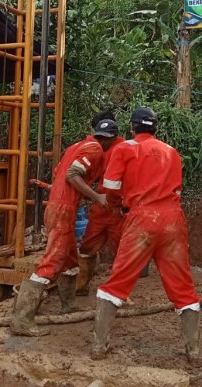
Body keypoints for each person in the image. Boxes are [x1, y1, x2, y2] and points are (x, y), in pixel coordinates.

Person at [92, 107, 202, 364]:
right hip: (173, 220)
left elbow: (110, 188)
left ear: (132, 128)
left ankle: (99, 347)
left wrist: (117, 203)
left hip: (141, 219)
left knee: (118, 281)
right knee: (183, 287)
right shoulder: (172, 152)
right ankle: (195, 352)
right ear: (156, 129)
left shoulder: (124, 149)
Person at [11, 119, 120, 336]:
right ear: (109, 140)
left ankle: (68, 305)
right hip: (63, 210)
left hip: (58, 206)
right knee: (51, 263)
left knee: (70, 260)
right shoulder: (96, 150)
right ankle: (21, 319)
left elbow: (61, 173)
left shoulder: (75, 147)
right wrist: (97, 197)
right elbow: (72, 175)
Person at [76, 111, 125, 296]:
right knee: (88, 246)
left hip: (117, 207)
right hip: (103, 205)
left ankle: (118, 291)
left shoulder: (123, 149)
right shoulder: (104, 149)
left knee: (120, 250)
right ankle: (82, 285)